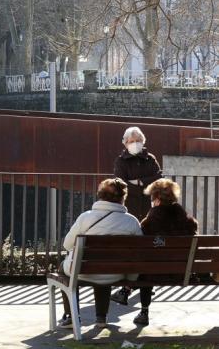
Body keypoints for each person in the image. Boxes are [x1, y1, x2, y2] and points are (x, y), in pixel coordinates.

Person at [110, 178, 197, 326]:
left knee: (147, 265)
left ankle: (141, 308)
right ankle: (126, 291)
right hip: (181, 272)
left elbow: (140, 245)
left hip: (153, 272)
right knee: (150, 263)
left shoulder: (151, 220)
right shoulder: (187, 220)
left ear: (156, 198)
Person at [58, 178, 143, 329]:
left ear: (100, 195)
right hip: (116, 273)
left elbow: (67, 244)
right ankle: (101, 318)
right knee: (105, 269)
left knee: (63, 270)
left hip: (83, 271)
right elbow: (140, 250)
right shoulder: (132, 221)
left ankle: (72, 316)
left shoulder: (86, 217)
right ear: (123, 197)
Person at [114, 126, 162, 221]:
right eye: (132, 141)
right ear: (126, 143)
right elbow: (121, 183)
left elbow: (158, 178)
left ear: (143, 141)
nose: (135, 143)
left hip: (149, 204)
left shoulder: (150, 158)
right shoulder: (120, 161)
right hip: (129, 205)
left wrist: (139, 182)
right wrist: (146, 186)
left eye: (138, 141)